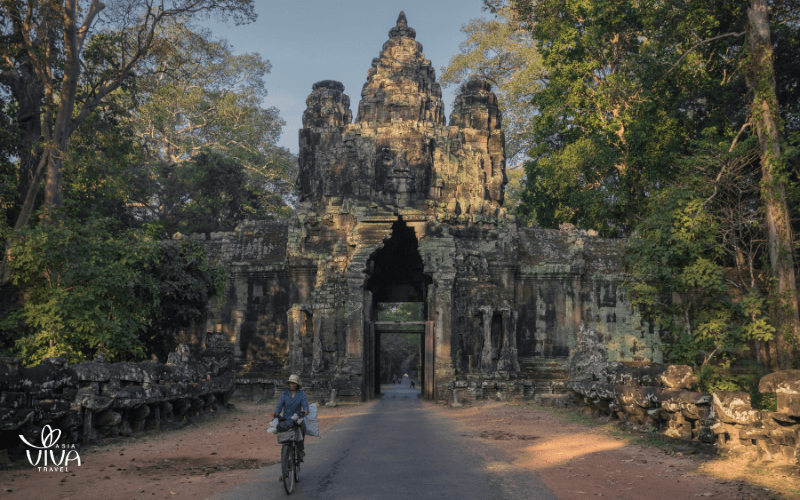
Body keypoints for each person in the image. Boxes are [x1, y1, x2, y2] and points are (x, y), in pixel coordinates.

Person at [272, 374, 309, 460]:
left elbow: (305, 405)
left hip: (298, 418)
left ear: (297, 385)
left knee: (303, 426)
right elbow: (279, 406)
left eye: (294, 383)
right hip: (286, 418)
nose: (292, 385)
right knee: (281, 429)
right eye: (291, 383)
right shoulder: (284, 394)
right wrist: (276, 413)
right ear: (288, 384)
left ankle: (300, 449)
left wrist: (306, 410)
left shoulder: (301, 394)